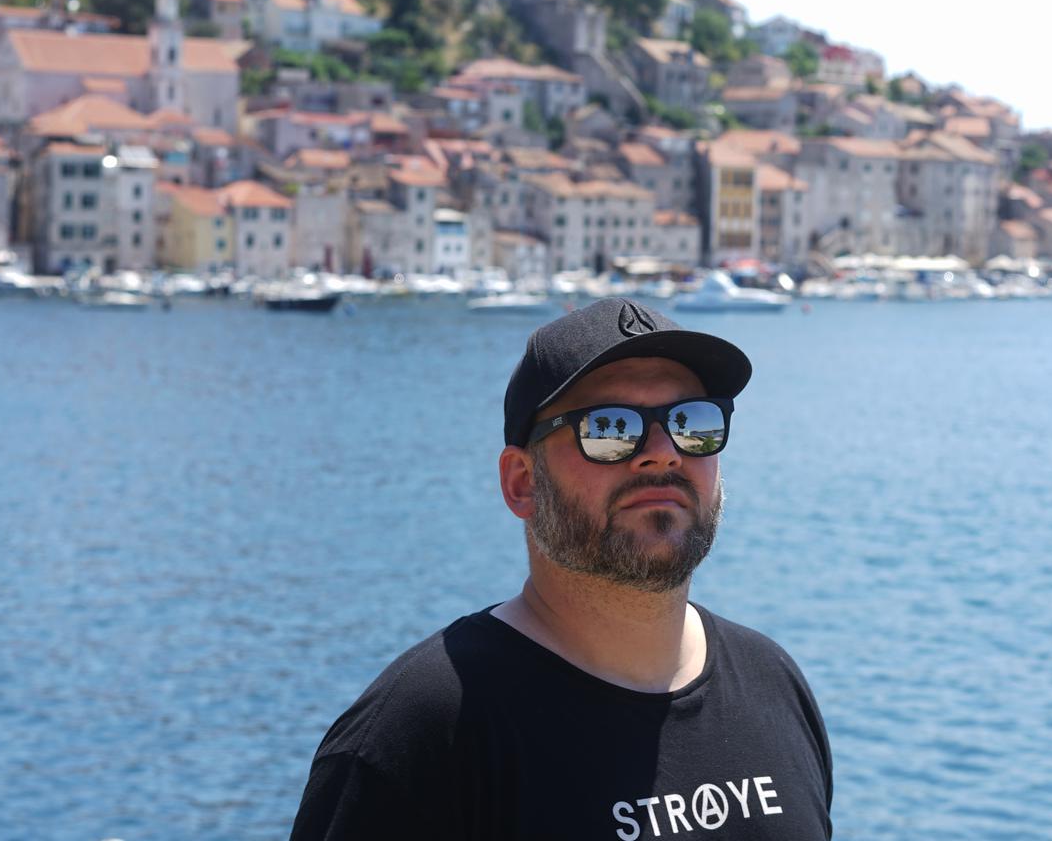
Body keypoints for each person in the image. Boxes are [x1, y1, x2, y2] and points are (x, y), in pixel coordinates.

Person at [288, 297, 833, 840]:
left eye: (691, 422)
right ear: (522, 483)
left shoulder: (773, 683)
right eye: (610, 428)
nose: (663, 451)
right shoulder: (419, 734)